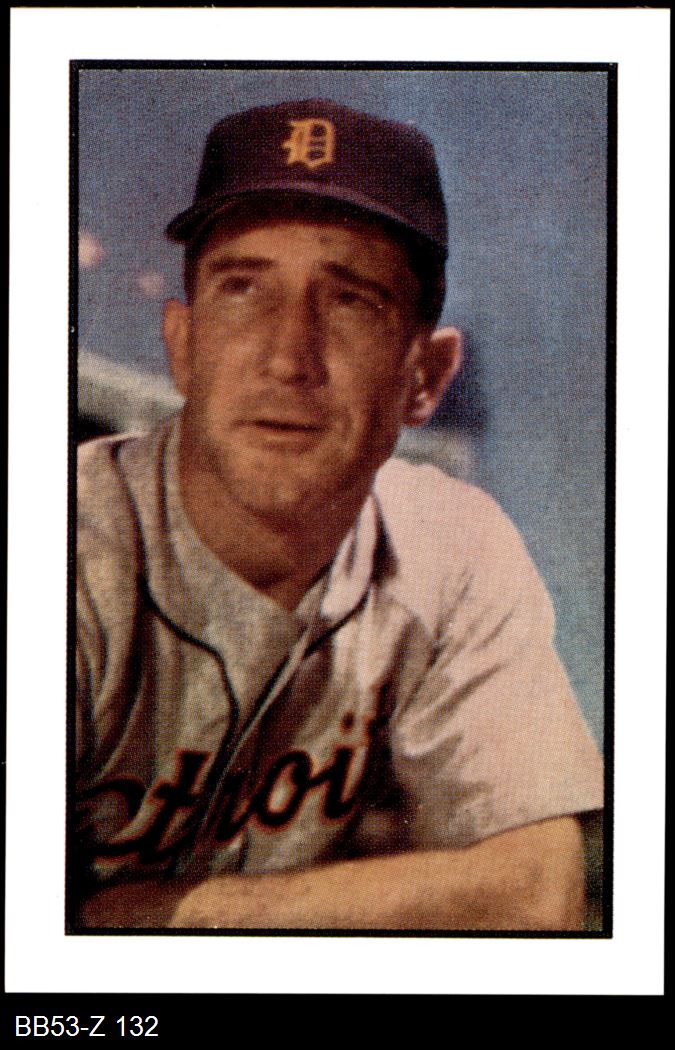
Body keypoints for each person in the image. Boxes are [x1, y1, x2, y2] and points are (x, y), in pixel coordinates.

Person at [74, 99, 603, 931]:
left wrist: (181, 918)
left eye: (352, 301)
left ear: (424, 377)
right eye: (242, 289)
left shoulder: (452, 546)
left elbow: (537, 896)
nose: (288, 357)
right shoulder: (64, 550)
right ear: (181, 344)